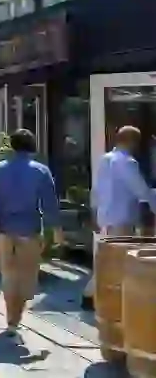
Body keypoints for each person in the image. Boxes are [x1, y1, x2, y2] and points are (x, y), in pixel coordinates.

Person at [0, 128, 63, 338]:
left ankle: (11, 319)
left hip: (4, 229)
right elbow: (49, 204)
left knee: (8, 274)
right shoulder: (41, 171)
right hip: (30, 228)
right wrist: (56, 231)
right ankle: (16, 318)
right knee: (27, 275)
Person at [83, 125, 156, 307]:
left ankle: (91, 296)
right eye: (137, 142)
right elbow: (141, 190)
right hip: (122, 218)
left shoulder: (105, 159)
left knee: (108, 259)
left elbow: (96, 190)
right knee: (116, 261)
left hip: (105, 216)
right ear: (131, 141)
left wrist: (93, 212)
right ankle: (93, 297)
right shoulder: (128, 162)